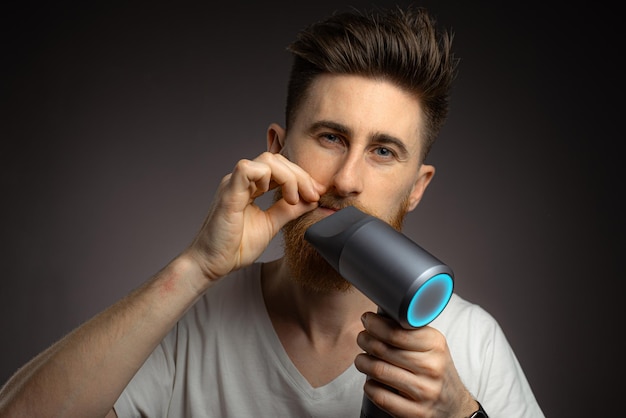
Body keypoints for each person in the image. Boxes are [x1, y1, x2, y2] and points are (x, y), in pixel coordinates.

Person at [0, 5, 545, 418]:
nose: (347, 181)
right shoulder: (194, 322)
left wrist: (462, 415)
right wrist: (195, 269)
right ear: (278, 149)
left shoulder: (470, 341)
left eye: (383, 152)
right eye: (331, 137)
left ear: (416, 187)